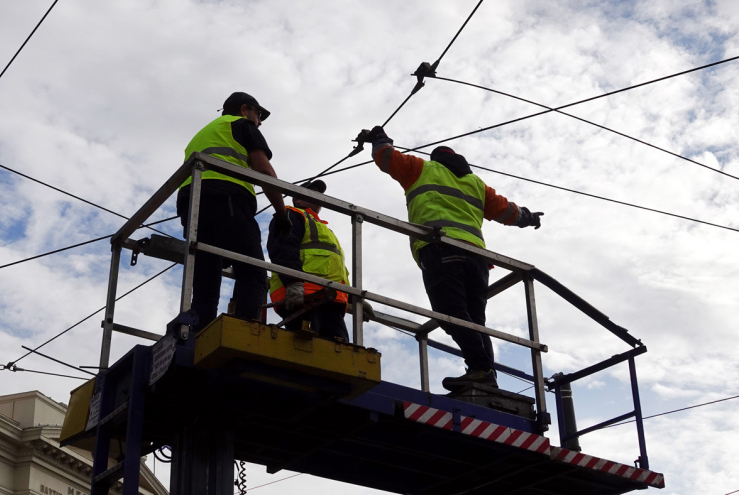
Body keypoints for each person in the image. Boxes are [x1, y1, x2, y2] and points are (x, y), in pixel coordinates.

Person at [366, 126, 543, 390]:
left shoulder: (423, 168)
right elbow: (508, 211)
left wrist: (379, 137)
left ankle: (481, 368)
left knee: (451, 314)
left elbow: (386, 157)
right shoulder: (476, 184)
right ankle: (485, 375)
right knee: (476, 321)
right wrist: (529, 218)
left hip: (442, 248)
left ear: (436, 159)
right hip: (478, 259)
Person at [177, 92, 291, 331]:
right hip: (226, 197)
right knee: (254, 272)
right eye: (258, 115)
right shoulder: (241, 125)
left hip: (192, 204)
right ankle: (244, 333)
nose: (259, 122)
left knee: (206, 277)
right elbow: (265, 172)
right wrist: (281, 213)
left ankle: (200, 335)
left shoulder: (201, 134)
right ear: (244, 109)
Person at [267, 180, 351, 341]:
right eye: (312, 191)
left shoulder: (323, 227)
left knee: (338, 351)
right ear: (298, 199)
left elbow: (336, 268)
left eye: (319, 193)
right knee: (308, 348)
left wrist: (353, 297)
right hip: (302, 296)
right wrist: (293, 282)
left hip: (328, 298)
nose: (317, 195)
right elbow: (283, 248)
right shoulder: (292, 214)